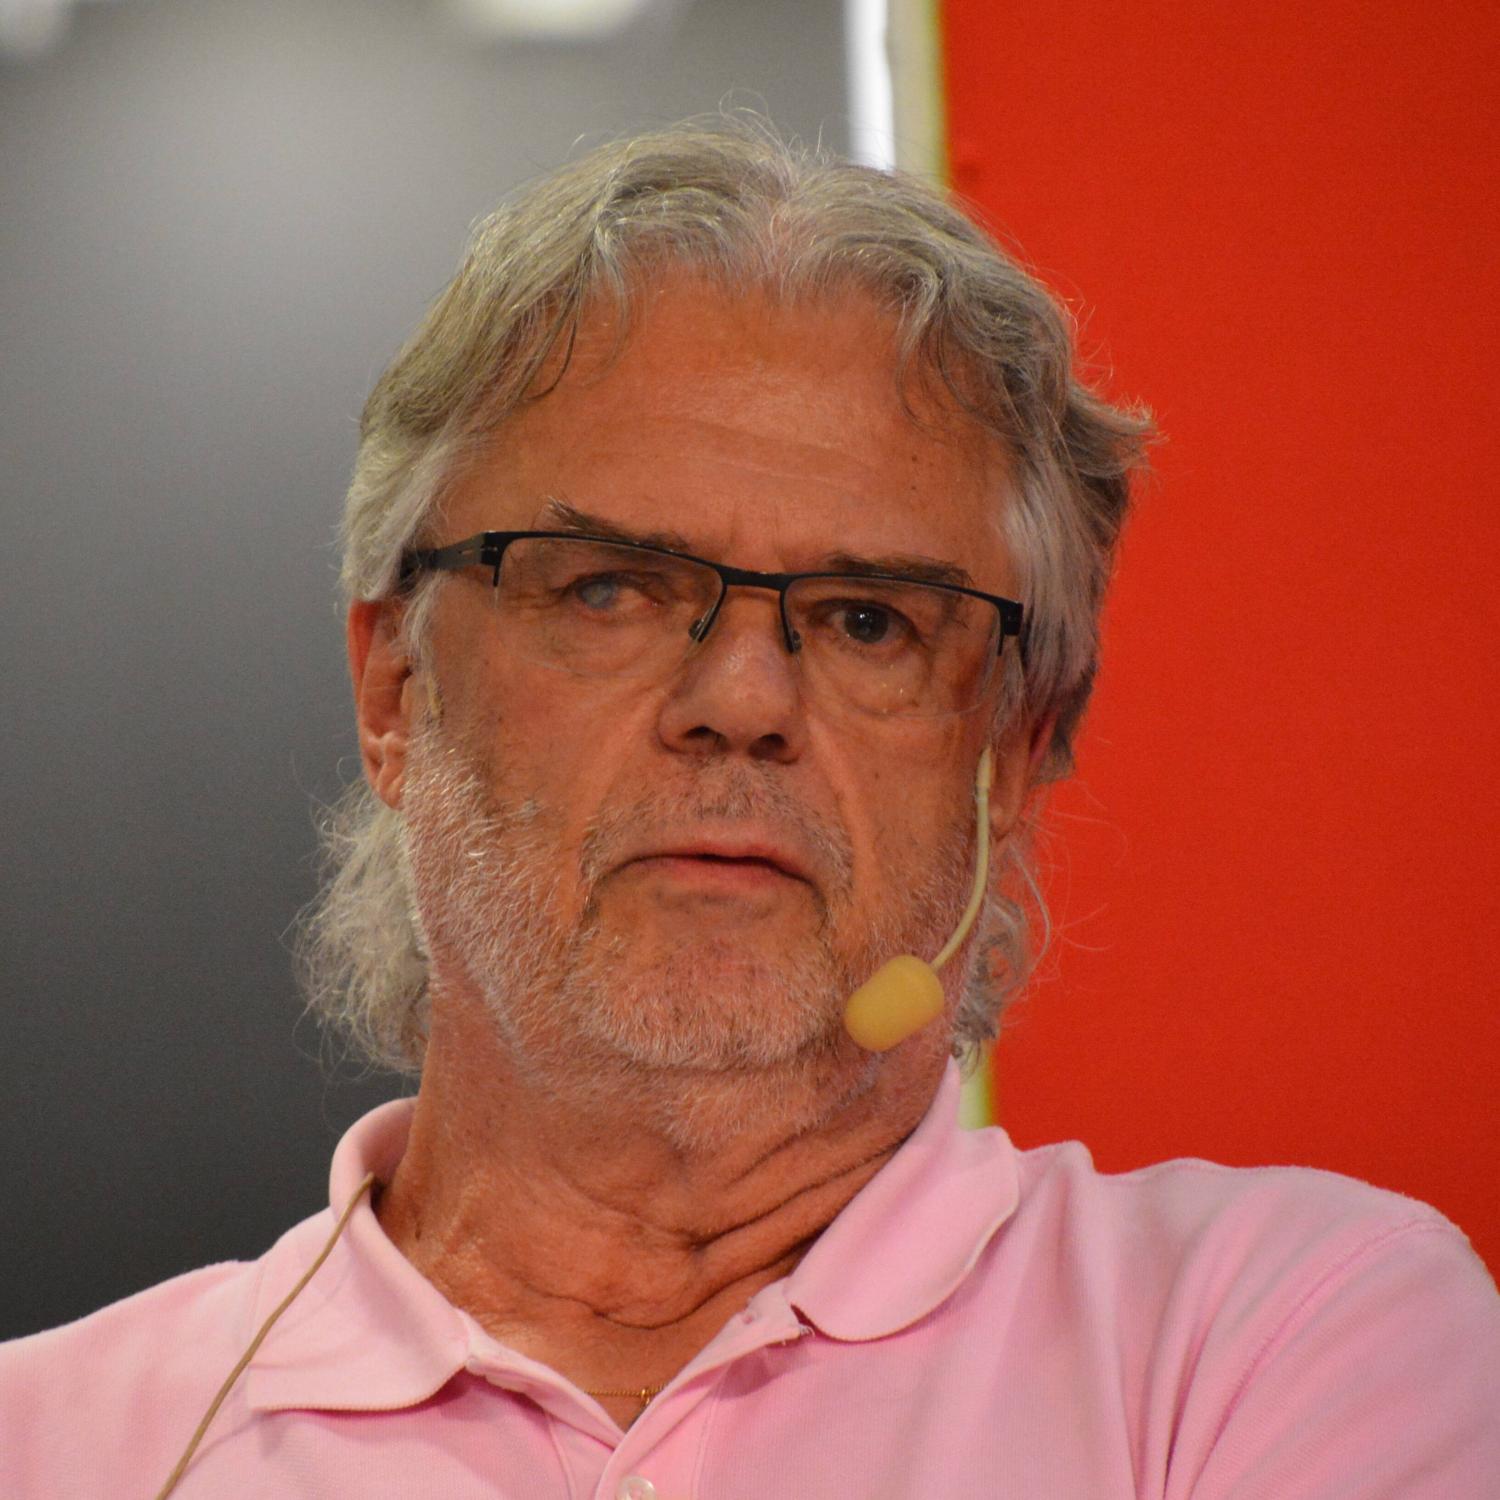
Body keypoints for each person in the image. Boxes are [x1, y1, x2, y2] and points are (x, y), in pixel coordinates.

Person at [4, 121, 1497, 1499]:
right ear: (396, 686)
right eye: (609, 589)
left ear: (1014, 751)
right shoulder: (47, 1440)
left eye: (868, 621)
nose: (741, 698)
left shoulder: (1278, 1339)